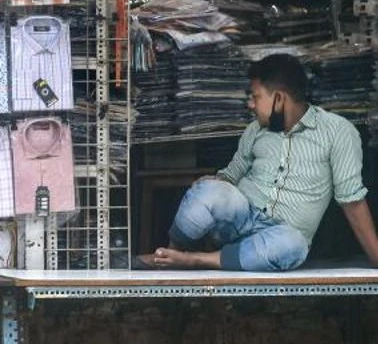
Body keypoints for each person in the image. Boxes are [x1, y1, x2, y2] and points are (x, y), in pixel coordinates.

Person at [137, 53, 378, 271]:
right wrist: (210, 187)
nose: (250, 104)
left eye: (256, 97)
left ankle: (197, 260)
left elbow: (352, 201)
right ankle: (169, 256)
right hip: (240, 220)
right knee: (209, 191)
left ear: (280, 99)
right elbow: (231, 174)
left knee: (293, 246)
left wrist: (376, 259)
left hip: (279, 236)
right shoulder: (255, 130)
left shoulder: (338, 132)